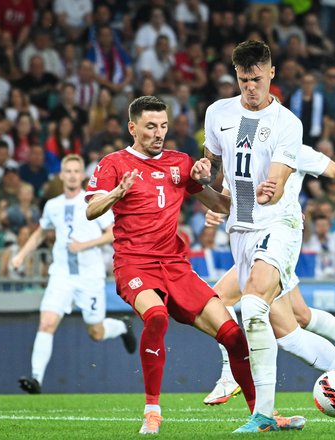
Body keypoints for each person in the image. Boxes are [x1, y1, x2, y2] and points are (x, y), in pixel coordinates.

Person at [193, 41, 335, 432]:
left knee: (250, 306)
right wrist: (202, 187)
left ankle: (259, 409)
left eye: (258, 79)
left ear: (271, 74)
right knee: (289, 327)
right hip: (242, 233)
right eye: (245, 79)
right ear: (236, 76)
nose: (251, 87)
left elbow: (280, 180)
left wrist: (274, 189)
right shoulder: (218, 114)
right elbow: (219, 181)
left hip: (280, 227)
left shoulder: (287, 125)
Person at [84, 96, 259, 435]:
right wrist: (118, 192)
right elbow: (91, 210)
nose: (158, 133)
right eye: (150, 127)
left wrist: (213, 183)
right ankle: (152, 410)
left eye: (163, 126)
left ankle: (261, 414)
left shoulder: (181, 163)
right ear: (132, 128)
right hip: (134, 265)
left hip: (175, 266)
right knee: (156, 317)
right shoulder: (114, 164)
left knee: (235, 337)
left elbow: (221, 205)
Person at [202, 145, 335, 412]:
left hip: (276, 241)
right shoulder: (237, 149)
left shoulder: (289, 145)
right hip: (249, 242)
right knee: (296, 322)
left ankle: (233, 373)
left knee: (220, 299)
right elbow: (232, 196)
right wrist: (218, 208)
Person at [13, 155, 136, 395]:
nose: (71, 175)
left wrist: (85, 245)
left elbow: (113, 234)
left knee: (96, 333)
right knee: (47, 322)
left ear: (82, 176)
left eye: (75, 171)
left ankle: (121, 326)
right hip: (61, 275)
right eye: (67, 171)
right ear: (61, 175)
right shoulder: (53, 206)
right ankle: (36, 379)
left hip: (89, 277)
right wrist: (21, 255)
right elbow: (40, 233)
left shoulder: (93, 202)